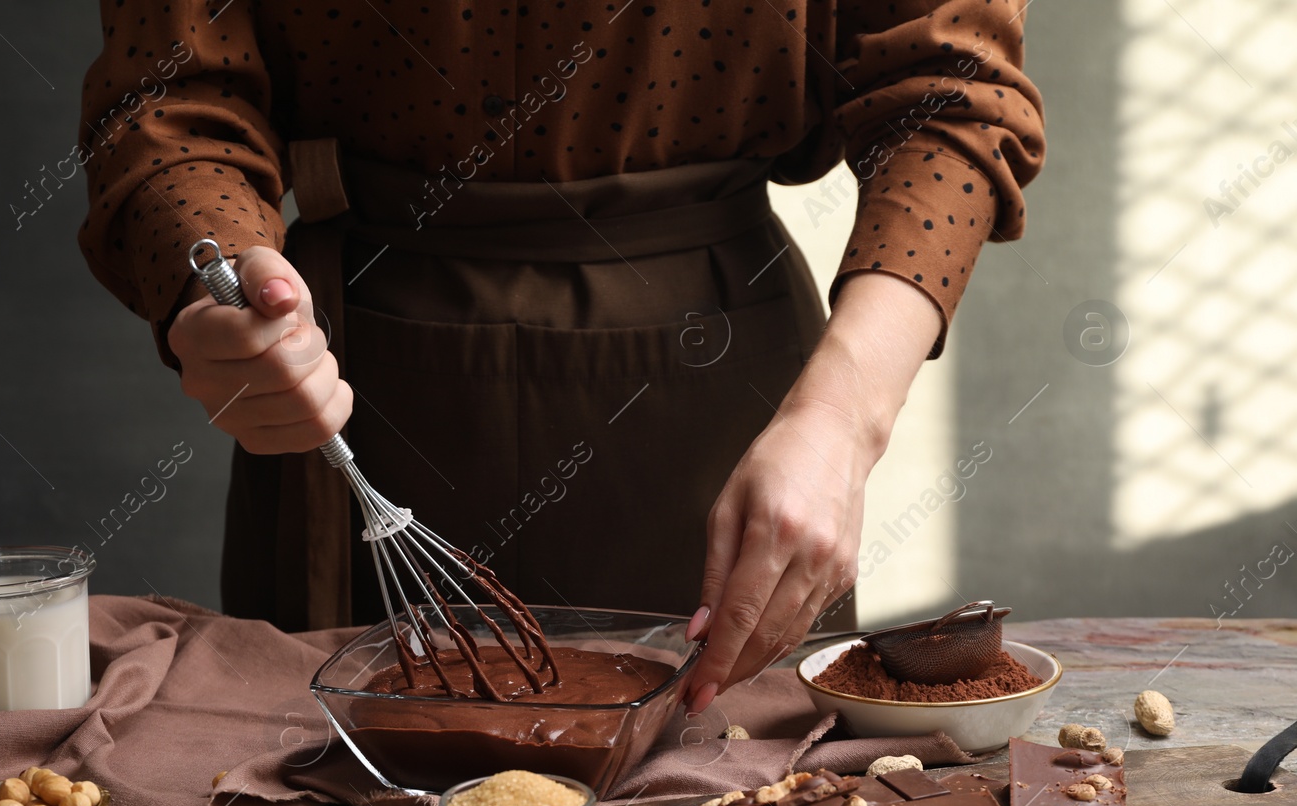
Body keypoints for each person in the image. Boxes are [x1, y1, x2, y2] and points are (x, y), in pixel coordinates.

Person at [77, 2, 1044, 716]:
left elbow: (953, 101)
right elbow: (168, 99)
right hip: (356, 387)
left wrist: (843, 418)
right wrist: (214, 282)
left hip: (726, 404)